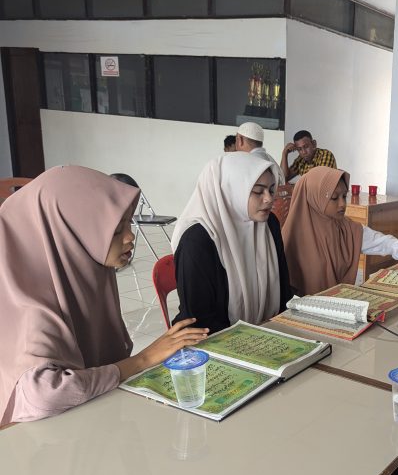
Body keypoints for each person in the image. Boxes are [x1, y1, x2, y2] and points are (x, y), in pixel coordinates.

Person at [0, 166, 209, 426]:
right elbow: (44, 395)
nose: (130, 238)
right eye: (116, 231)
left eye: (128, 225)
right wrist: (143, 360)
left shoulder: (82, 275)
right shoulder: (33, 308)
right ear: (70, 236)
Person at [172, 152, 292, 334]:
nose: (269, 199)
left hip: (267, 333)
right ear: (230, 192)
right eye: (258, 191)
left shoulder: (269, 225)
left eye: (271, 189)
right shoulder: (197, 241)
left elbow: (284, 292)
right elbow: (199, 323)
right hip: (212, 344)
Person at [282, 166, 398, 296]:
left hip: (338, 308)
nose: (342, 204)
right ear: (315, 198)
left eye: (344, 196)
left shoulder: (345, 228)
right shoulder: (291, 238)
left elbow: (380, 241)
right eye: (334, 198)